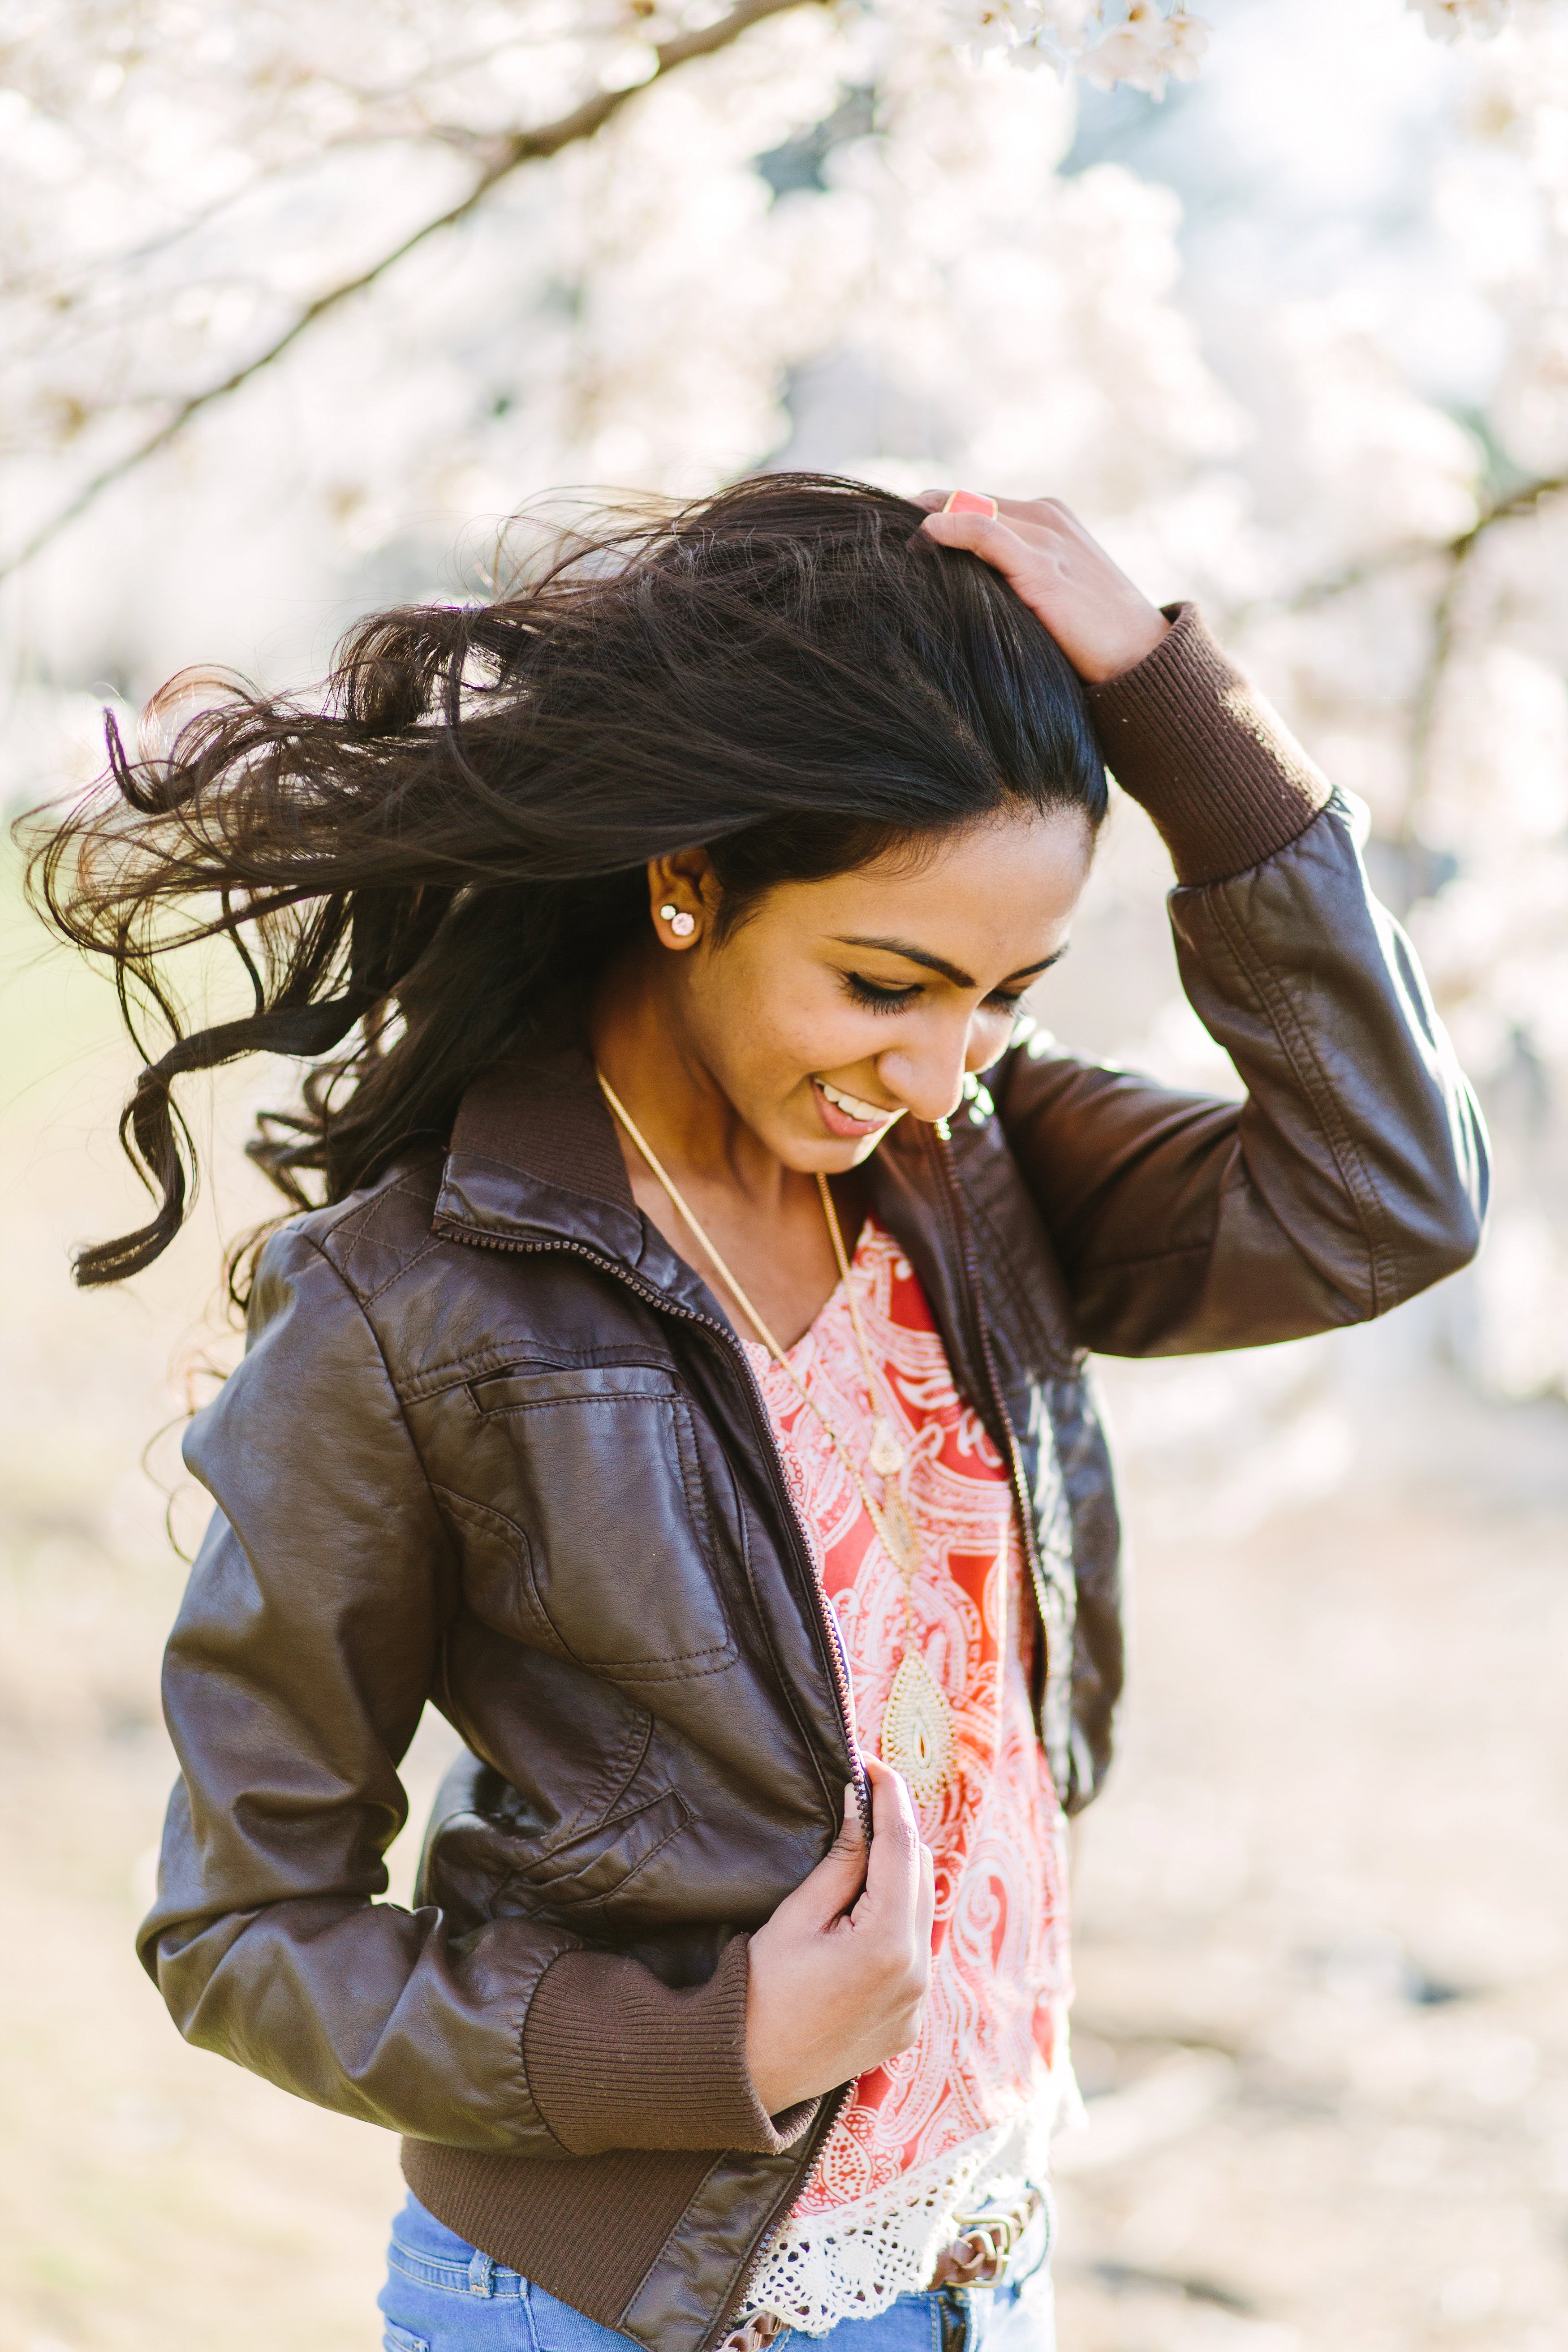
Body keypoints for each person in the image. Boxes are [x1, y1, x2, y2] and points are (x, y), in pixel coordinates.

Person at [32, 475, 1485, 2352]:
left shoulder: (974, 1163)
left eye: (998, 993)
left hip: (978, 2255)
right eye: (884, 981)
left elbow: (1384, 1202)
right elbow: (239, 1927)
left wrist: (1176, 719)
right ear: (684, 877)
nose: (933, 1062)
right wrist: (698, 2046)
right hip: (629, 2307)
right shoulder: (412, 1303)